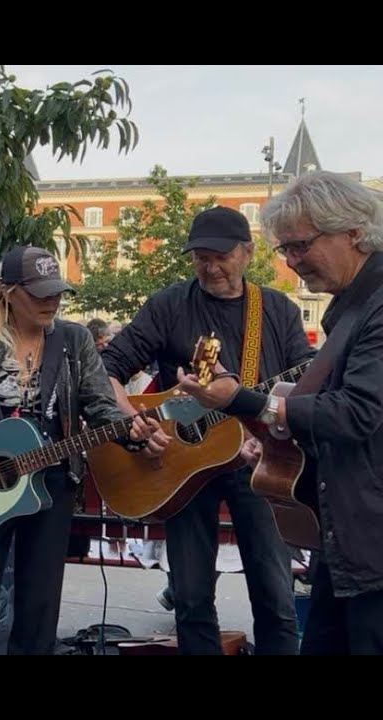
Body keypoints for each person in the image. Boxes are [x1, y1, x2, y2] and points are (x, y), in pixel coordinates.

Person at [0, 245, 165, 654]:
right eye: (40, 294)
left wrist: (132, 432)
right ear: (9, 292)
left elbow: (101, 408)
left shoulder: (74, 340)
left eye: (57, 293)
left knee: (40, 606)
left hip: (52, 483)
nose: (52, 302)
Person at [175, 171, 383, 654]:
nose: (291, 262)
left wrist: (242, 401)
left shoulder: (374, 306)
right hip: (348, 540)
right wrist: (276, 444)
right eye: (283, 250)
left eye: (300, 245)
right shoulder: (349, 306)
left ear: (352, 231)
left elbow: (356, 414)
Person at [101, 205, 313, 655]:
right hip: (180, 468)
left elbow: (303, 387)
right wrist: (132, 421)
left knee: (276, 595)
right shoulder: (169, 305)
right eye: (200, 256)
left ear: (247, 253)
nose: (210, 266)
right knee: (192, 597)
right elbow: (108, 369)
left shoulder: (277, 310)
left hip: (257, 465)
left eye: (220, 255)